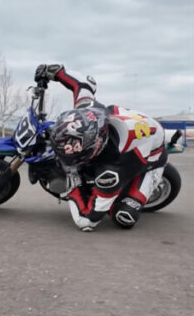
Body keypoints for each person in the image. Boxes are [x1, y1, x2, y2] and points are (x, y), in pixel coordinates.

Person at [35, 64, 167, 232]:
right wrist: (55, 72)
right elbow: (84, 83)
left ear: (95, 148)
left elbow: (86, 221)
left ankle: (122, 195)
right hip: (139, 130)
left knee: (124, 217)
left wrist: (72, 184)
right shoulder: (88, 110)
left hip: (150, 159)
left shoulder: (112, 170)